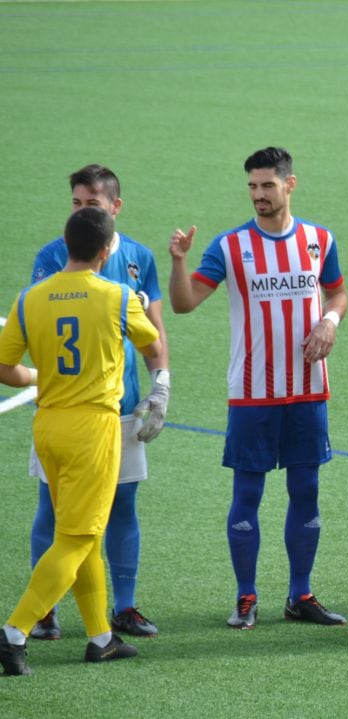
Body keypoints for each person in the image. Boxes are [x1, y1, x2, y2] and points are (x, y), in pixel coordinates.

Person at [168, 147, 348, 629]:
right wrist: (179, 263)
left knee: (305, 491)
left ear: (290, 185)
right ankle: (246, 597)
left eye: (267, 185)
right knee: (246, 494)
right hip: (251, 394)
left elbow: (338, 291)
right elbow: (184, 304)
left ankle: (300, 594)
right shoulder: (229, 247)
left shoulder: (318, 239)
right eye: (252, 186)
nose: (259, 195)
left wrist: (330, 321)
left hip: (308, 390)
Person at [0, 206, 161, 676]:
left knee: (81, 530)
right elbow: (150, 341)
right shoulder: (116, 296)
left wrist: (37, 373)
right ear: (107, 249)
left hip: (49, 424)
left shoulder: (31, 297)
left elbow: (6, 366)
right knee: (76, 536)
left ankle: (100, 637)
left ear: (65, 245)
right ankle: (13, 632)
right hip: (94, 428)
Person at [25, 164, 171, 642]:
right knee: (57, 513)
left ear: (115, 206)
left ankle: (117, 615)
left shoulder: (138, 258)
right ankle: (37, 614)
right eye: (76, 204)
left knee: (121, 506)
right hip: (81, 413)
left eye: (90, 204)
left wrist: (160, 387)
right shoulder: (54, 256)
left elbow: (155, 332)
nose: (82, 212)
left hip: (120, 409)